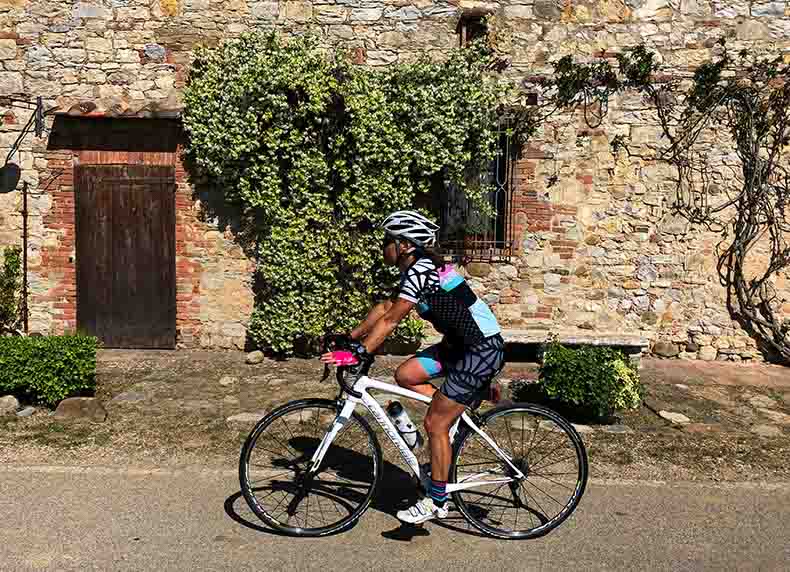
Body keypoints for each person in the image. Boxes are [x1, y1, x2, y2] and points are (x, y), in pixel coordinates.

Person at [321, 210, 505, 525]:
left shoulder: (423, 269)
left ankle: (436, 501)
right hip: (459, 346)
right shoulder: (418, 270)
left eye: (387, 241)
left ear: (404, 245)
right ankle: (465, 397)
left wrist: (358, 354)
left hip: (481, 348)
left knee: (435, 424)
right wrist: (348, 339)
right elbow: (385, 309)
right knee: (406, 374)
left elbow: (392, 320)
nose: (383, 247)